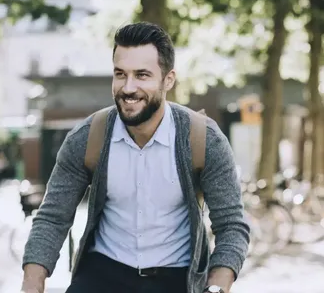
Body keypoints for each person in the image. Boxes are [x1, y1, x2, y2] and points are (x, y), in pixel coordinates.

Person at [21, 22, 250, 293]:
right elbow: (53, 217)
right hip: (103, 273)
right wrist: (31, 284)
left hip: (176, 278)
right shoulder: (87, 138)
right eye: (120, 74)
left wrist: (216, 287)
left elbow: (231, 226)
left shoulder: (204, 140)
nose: (128, 88)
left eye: (142, 75)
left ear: (168, 80)